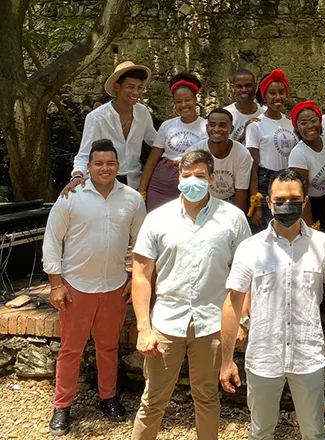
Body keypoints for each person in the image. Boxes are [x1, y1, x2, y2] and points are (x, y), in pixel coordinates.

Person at [130, 149, 251, 440]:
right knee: (153, 399)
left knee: (207, 398)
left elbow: (247, 275)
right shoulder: (158, 219)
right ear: (178, 179)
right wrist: (144, 328)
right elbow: (141, 274)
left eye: (199, 175)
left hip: (212, 324)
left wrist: (242, 321)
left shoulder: (233, 219)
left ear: (211, 178)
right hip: (166, 324)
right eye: (187, 176)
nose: (193, 181)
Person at [219, 169, 325, 440]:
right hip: (263, 357)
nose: (287, 205)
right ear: (268, 202)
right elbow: (232, 303)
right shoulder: (250, 247)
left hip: (308, 356)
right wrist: (225, 361)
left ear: (305, 201)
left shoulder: (323, 244)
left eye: (294, 199)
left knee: (315, 433)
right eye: (280, 199)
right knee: (260, 432)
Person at [43, 139, 146, 436]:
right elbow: (52, 241)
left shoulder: (132, 199)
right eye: (98, 163)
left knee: (108, 346)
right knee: (71, 349)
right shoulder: (71, 197)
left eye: (110, 163)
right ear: (88, 167)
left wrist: (133, 278)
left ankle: (108, 396)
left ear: (118, 166)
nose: (105, 168)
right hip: (76, 288)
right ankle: (62, 405)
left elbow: (141, 243)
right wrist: (55, 284)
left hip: (114, 287)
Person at [64, 61, 156, 194]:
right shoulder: (97, 117)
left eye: (140, 87)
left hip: (134, 184)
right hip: (104, 186)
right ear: (117, 86)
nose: (136, 92)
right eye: (130, 87)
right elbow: (84, 154)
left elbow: (155, 141)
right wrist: (78, 176)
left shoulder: (142, 113)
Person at [139, 72, 207, 211]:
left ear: (195, 99)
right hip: (162, 181)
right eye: (178, 101)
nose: (183, 105)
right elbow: (152, 160)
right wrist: (142, 192)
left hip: (192, 180)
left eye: (187, 100)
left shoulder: (207, 127)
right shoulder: (167, 125)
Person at [246, 70, 298, 228]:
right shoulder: (255, 126)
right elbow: (253, 167)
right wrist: (257, 204)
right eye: (272, 93)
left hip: (290, 180)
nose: (277, 97)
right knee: (270, 228)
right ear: (265, 96)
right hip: (265, 181)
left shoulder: (291, 123)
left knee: (290, 227)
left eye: (281, 92)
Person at [190, 108, 252, 213]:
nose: (217, 129)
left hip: (230, 200)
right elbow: (192, 186)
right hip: (204, 199)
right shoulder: (196, 152)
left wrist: (239, 218)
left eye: (222, 125)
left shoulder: (242, 154)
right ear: (207, 127)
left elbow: (241, 192)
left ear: (231, 129)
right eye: (212, 125)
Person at [288, 101, 325, 230]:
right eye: (303, 123)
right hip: (309, 204)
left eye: (313, 120)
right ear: (296, 128)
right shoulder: (298, 154)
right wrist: (310, 225)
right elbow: (301, 193)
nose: (310, 126)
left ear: (320, 121)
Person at [224, 69, 266, 143]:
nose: (244, 90)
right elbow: (222, 150)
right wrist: (243, 135)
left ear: (255, 86)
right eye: (239, 86)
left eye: (248, 85)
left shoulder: (265, 113)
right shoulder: (225, 115)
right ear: (233, 88)